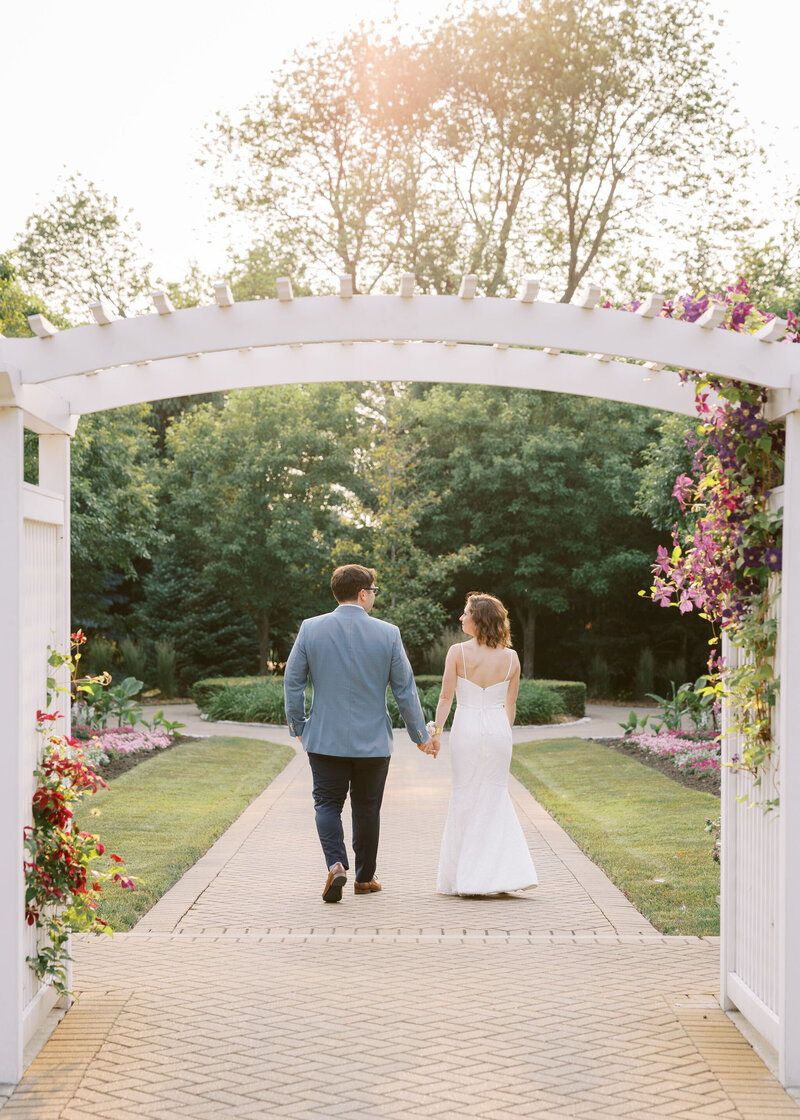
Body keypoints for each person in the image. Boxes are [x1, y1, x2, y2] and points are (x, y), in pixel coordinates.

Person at [284, 563, 437, 903]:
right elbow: (405, 690)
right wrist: (419, 735)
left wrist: (298, 724)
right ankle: (365, 879)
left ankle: (336, 864)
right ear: (363, 593)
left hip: (324, 737)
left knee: (326, 804)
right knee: (367, 808)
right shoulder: (388, 634)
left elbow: (292, 681)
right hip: (373, 743)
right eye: (374, 592)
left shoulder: (310, 629)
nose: (374, 598)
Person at [431, 592, 538, 896]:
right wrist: (502, 732)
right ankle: (498, 875)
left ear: (479, 619)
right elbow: (510, 705)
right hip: (497, 730)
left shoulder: (457, 653)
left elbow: (445, 698)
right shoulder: (512, 658)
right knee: (494, 796)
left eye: (466, 613)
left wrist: (436, 732)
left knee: (465, 794)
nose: (461, 618)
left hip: (465, 728)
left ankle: (465, 877)